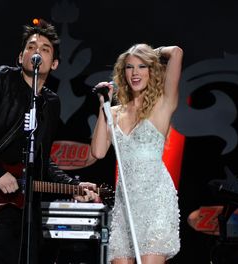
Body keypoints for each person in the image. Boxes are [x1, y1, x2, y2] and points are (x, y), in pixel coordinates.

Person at [0, 19, 99, 264]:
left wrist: (73, 185)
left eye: (44, 48)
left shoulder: (51, 103)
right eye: (31, 47)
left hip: (25, 206)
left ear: (54, 63)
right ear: (21, 57)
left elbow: (42, 157)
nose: (36, 52)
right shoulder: (3, 79)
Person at [91, 44, 183, 264]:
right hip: (126, 205)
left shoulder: (163, 105)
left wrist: (154, 52)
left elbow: (177, 52)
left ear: (151, 71)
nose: (135, 73)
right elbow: (98, 152)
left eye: (142, 66)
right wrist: (103, 105)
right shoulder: (113, 113)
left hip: (156, 203)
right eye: (129, 67)